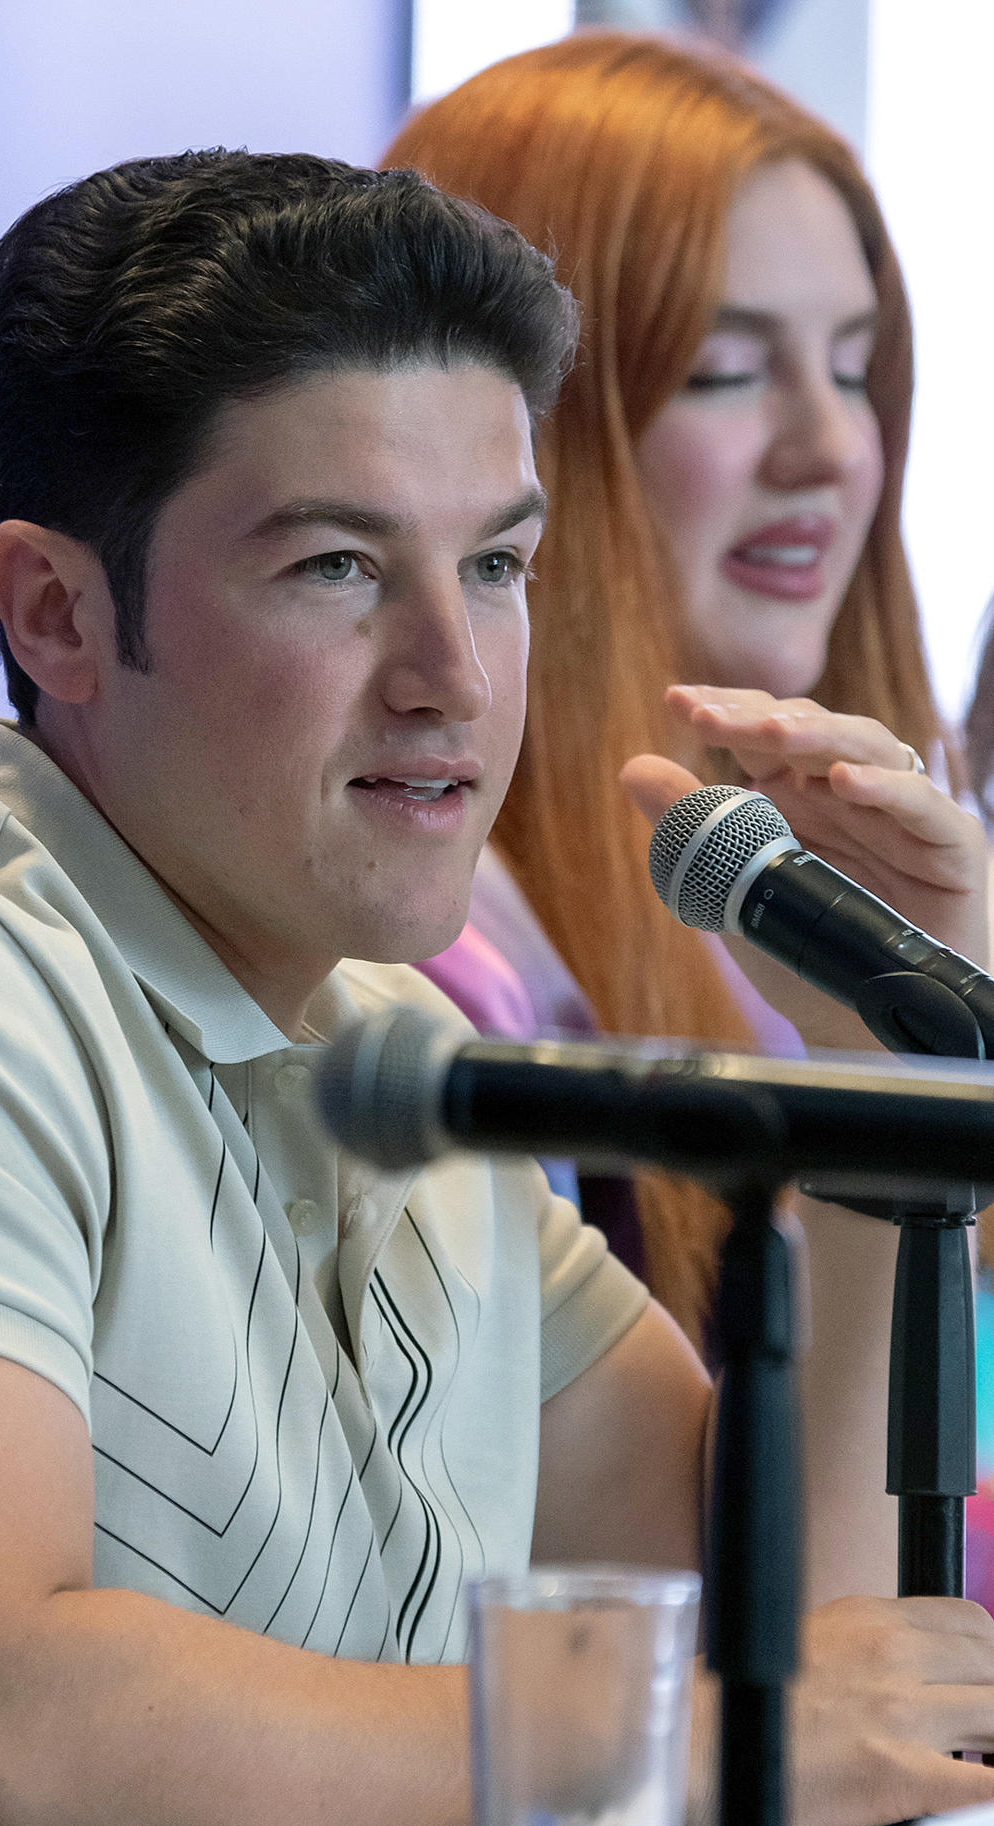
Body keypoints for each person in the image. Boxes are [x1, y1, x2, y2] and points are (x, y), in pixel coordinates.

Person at [0, 150, 994, 1826]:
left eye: (495, 563)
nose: (455, 673)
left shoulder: (383, 1036)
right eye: (340, 566)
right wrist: (681, 1744)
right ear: (56, 611)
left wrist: (882, 1069)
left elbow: (791, 1649)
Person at [384, 30, 954, 1345]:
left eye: (854, 366)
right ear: (510, 432)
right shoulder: (447, 990)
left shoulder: (837, 922)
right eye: (725, 371)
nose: (829, 447)